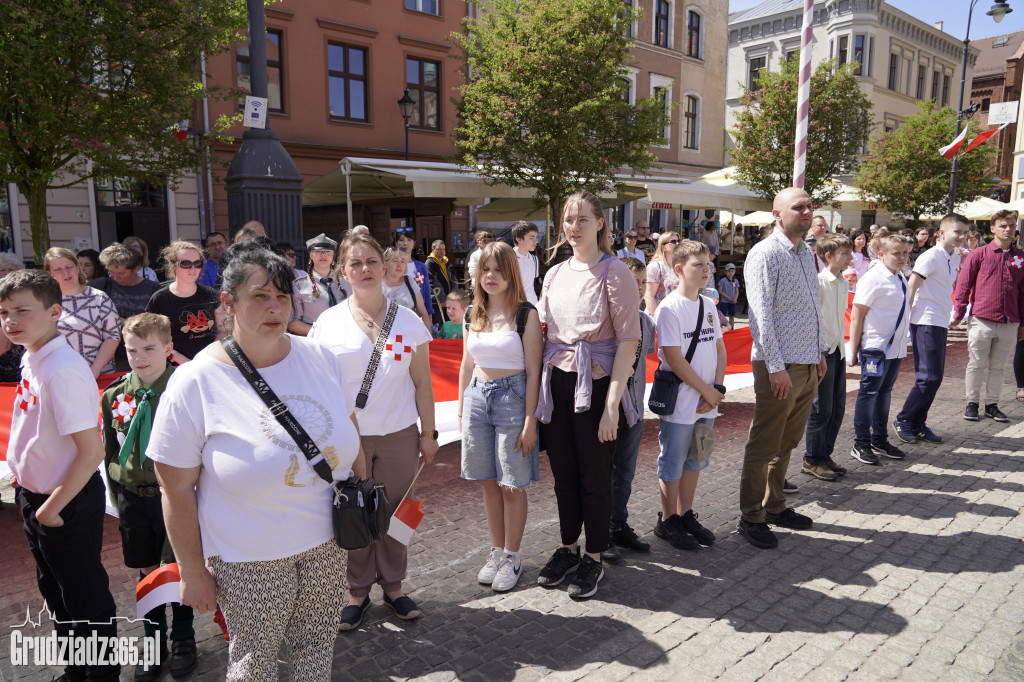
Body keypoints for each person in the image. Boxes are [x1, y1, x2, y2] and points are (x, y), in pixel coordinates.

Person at [149, 241, 364, 680]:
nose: (273, 308)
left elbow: (349, 429)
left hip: (326, 545)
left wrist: (362, 502)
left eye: (281, 296)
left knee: (315, 652)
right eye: (259, 296)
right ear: (227, 302)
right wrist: (192, 569)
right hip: (249, 558)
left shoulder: (320, 357)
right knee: (254, 666)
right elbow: (173, 486)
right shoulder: (195, 382)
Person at [309, 231, 438, 627]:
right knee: (355, 513)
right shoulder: (327, 325)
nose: (364, 269)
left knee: (398, 513)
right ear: (343, 272)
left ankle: (394, 587)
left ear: (384, 268)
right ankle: (357, 591)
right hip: (349, 440)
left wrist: (429, 435)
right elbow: (318, 388)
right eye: (355, 263)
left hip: (399, 435)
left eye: (371, 262)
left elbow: (422, 383)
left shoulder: (409, 322)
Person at [1, 270, 121, 681]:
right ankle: (78, 670)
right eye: (3, 312)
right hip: (37, 499)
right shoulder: (32, 354)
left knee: (86, 599)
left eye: (22, 311)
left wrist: (50, 511)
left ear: (55, 311)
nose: (10, 321)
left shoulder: (62, 369)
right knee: (57, 594)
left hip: (63, 502)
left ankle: (103, 676)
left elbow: (92, 451)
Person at [534, 191, 640, 600]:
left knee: (595, 477)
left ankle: (593, 556)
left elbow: (629, 343)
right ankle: (568, 548)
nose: (573, 227)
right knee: (563, 476)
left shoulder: (616, 272)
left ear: (600, 224)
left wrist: (611, 407)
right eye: (567, 219)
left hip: (597, 384)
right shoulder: (555, 273)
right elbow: (544, 333)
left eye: (581, 219)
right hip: (559, 381)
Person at [101, 313, 195, 680]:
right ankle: (154, 643)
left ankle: (185, 638)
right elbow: (111, 450)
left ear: (169, 349)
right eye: (131, 350)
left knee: (177, 568)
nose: (139, 357)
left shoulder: (183, 391)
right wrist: (118, 498)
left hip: (175, 497)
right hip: (133, 498)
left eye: (149, 349)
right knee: (146, 570)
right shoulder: (115, 395)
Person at [739, 187, 827, 550]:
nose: (806, 212)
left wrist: (819, 351)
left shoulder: (806, 252)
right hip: (780, 366)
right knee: (765, 443)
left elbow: (811, 307)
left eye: (809, 206)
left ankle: (774, 505)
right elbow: (758, 316)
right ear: (777, 214)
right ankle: (751, 516)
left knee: (788, 442)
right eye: (798, 207)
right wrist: (776, 367)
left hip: (807, 362)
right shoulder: (764, 254)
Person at [458, 241, 542, 592]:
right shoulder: (471, 314)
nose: (490, 276)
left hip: (513, 399)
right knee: (488, 481)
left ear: (511, 273)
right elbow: (467, 363)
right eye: (485, 270)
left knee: (512, 482)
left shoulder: (526, 314)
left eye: (497, 270)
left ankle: (512, 555)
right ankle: (496, 551)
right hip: (478, 396)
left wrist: (530, 420)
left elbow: (535, 372)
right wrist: (462, 409)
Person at [652, 240, 725, 551]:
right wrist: (706, 390)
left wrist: (717, 390)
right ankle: (668, 519)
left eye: (708, 264)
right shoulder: (669, 308)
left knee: (696, 459)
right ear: (680, 269)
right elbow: (675, 358)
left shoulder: (708, 305)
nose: (706, 270)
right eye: (698, 265)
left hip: (707, 401)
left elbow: (719, 348)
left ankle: (685, 514)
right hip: (682, 402)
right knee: (672, 461)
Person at [893, 214, 970, 444]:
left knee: (934, 378)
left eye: (965, 232)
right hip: (925, 320)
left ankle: (918, 423)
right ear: (942, 232)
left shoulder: (954, 257)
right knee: (928, 377)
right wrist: (905, 317)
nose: (962, 236)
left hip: (939, 320)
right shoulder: (930, 256)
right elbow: (913, 285)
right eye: (958, 232)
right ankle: (904, 419)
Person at [603, 257, 655, 562]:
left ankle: (618, 524)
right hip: (609, 410)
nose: (637, 288)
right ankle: (599, 531)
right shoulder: (606, 323)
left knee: (625, 472)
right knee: (603, 474)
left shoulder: (646, 322)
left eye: (642, 282)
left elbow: (643, 361)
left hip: (634, 409)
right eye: (631, 282)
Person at [953, 209, 1024, 422]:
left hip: (1009, 321)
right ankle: (971, 402)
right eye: (1003, 225)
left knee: (999, 366)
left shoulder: (1020, 257)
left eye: (1011, 225)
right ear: (992, 228)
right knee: (976, 363)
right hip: (982, 319)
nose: (1008, 229)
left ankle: (992, 404)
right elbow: (964, 285)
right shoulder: (979, 254)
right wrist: (959, 311)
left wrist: (1022, 323)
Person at [847, 233, 911, 464]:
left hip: (896, 348)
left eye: (905, 253)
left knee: (884, 393)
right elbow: (857, 315)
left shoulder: (901, 277)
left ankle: (880, 439)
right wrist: (853, 350)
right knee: (869, 393)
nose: (902, 257)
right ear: (882, 254)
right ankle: (861, 443)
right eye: (896, 253)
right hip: (875, 348)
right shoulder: (873, 278)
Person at [802, 234, 853, 482]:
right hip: (823, 351)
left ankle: (825, 455)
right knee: (821, 408)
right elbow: (813, 320)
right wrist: (819, 350)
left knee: (837, 407)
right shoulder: (818, 282)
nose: (851, 257)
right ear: (829, 256)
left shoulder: (842, 282)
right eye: (845, 253)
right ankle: (812, 458)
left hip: (838, 350)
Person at [43, 247, 120, 377]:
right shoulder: (45, 303)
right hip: (60, 376)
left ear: (77, 267)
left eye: (69, 267)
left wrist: (96, 368)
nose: (65, 272)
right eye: (58, 269)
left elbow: (113, 336)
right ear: (49, 273)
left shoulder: (99, 297)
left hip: (100, 375)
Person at [145, 240, 221, 362]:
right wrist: (182, 360)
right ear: (173, 265)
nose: (193, 268)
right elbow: (153, 337)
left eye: (197, 263)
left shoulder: (211, 294)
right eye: (185, 263)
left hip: (208, 362)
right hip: (173, 366)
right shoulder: (159, 299)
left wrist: (209, 358)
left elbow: (224, 330)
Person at [288, 233, 350, 336]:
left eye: (327, 252)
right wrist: (322, 332)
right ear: (311, 256)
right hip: (313, 340)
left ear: (333, 256)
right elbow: (292, 322)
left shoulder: (347, 282)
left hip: (344, 338)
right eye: (317, 252)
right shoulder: (299, 285)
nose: (323, 255)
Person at [91, 242, 161, 322]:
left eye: (120, 273)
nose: (115, 277)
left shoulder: (153, 288)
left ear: (136, 269)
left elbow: (159, 322)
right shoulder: (103, 284)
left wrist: (124, 322)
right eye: (111, 272)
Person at [382, 246, 433, 331]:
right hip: (385, 338)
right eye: (395, 261)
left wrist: (428, 338)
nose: (399, 265)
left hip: (410, 337)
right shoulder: (376, 284)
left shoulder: (410, 282)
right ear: (385, 264)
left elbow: (423, 313)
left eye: (403, 261)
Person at [395, 230, 435, 318]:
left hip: (418, 313)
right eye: (401, 240)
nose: (405, 243)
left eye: (409, 240)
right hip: (398, 312)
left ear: (414, 243)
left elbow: (427, 294)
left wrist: (429, 319)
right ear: (396, 243)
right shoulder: (391, 266)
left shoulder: (421, 267)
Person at [643, 231, 681, 315]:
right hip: (660, 314)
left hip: (677, 314)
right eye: (673, 242)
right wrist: (656, 318)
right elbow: (649, 296)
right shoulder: (655, 267)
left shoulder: (680, 266)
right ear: (663, 247)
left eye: (679, 241)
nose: (677, 244)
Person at [511, 221, 540, 305]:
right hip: (513, 306)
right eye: (531, 238)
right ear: (519, 239)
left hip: (533, 304)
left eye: (536, 237)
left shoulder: (534, 259)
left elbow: (530, 285)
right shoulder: (507, 258)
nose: (536, 241)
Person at [426, 239, 451, 320]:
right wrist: (442, 299)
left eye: (443, 249)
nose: (442, 251)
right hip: (437, 301)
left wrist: (453, 295)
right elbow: (432, 282)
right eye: (439, 249)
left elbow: (453, 280)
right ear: (433, 250)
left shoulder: (447, 262)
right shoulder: (430, 263)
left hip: (449, 298)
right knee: (438, 325)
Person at [717, 262, 740, 329]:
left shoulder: (735, 281)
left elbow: (737, 291)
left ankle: (732, 329)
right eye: (729, 271)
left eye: (732, 271)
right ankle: (721, 329)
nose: (730, 273)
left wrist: (735, 299)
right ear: (726, 272)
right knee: (722, 315)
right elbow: (720, 290)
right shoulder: (723, 281)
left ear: (734, 272)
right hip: (724, 301)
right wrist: (727, 297)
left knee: (732, 316)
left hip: (732, 301)